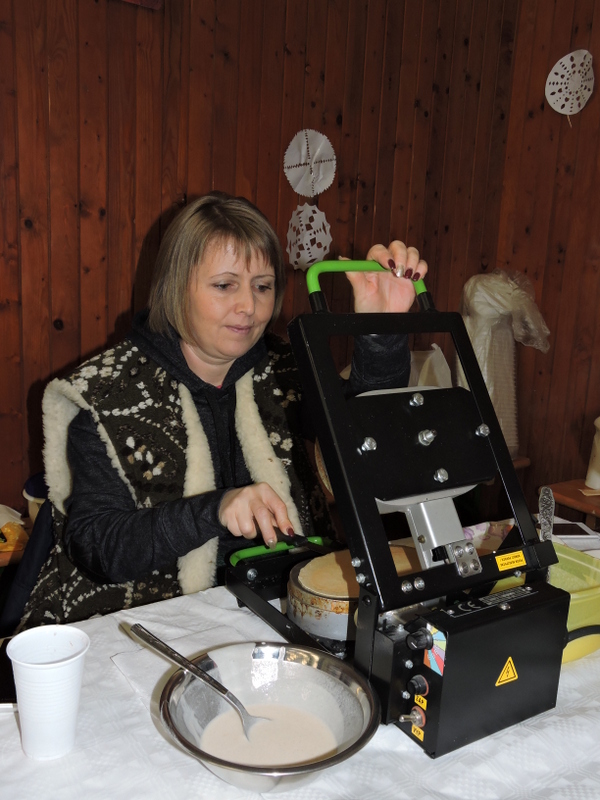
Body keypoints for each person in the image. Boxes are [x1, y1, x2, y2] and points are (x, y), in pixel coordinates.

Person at [18, 192, 428, 629]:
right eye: (224, 285)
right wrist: (213, 510)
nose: (249, 307)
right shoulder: (105, 394)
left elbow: (364, 440)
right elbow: (98, 549)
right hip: (135, 624)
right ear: (176, 286)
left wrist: (382, 332)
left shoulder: (284, 367)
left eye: (262, 286)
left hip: (275, 604)